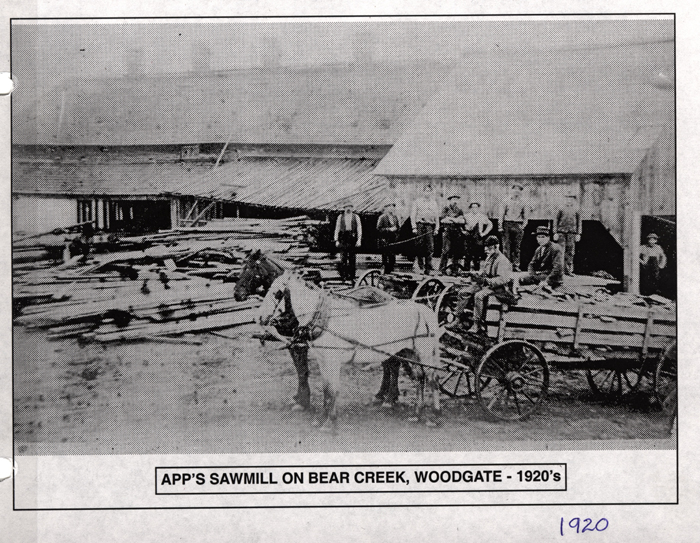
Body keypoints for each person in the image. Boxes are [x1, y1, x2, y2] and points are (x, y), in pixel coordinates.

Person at [467, 235, 513, 334]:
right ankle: (461, 318)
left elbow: (502, 279)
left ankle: (477, 323)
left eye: (489, 248)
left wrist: (487, 281)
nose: (486, 250)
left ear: (497, 247)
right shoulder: (490, 258)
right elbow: (485, 272)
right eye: (486, 248)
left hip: (499, 289)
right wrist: (477, 274)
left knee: (479, 296)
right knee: (465, 291)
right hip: (488, 285)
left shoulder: (503, 261)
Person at [515, 225, 564, 290]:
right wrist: (532, 275)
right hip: (540, 276)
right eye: (538, 237)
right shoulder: (539, 249)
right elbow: (531, 264)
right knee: (520, 279)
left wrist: (547, 281)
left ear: (548, 238)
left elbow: (557, 268)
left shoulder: (555, 248)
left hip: (553, 277)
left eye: (543, 237)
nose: (540, 239)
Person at [410, 185, 440, 274]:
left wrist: (437, 228)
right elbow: (413, 215)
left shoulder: (434, 203)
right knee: (419, 246)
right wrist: (414, 227)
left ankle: (428, 267)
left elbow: (436, 217)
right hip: (420, 225)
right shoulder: (417, 202)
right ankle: (420, 266)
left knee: (430, 248)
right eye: (426, 191)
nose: (427, 193)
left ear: (431, 192)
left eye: (429, 191)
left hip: (429, 226)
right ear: (423, 192)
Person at [498, 184, 529, 271]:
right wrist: (500, 226)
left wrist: (523, 226)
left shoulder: (524, 202)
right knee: (506, 246)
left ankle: (516, 266)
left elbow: (526, 216)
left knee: (516, 247)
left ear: (521, 192)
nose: (516, 192)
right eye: (515, 190)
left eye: (519, 190)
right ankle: (506, 266)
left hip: (518, 224)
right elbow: (501, 215)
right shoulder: (505, 201)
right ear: (511, 191)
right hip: (507, 224)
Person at [334, 203, 362, 283]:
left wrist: (359, 240)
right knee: (343, 258)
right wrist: (336, 240)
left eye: (350, 207)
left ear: (352, 208)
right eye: (346, 207)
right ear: (344, 208)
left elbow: (359, 229)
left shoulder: (356, 217)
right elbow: (337, 228)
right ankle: (344, 276)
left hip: (352, 239)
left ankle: (352, 276)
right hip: (343, 239)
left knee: (352, 259)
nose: (348, 208)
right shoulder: (340, 217)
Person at [553, 194, 581, 276]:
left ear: (573, 200)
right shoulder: (560, 209)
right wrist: (555, 232)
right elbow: (555, 220)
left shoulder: (576, 209)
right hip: (561, 233)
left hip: (571, 233)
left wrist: (578, 234)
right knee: (560, 251)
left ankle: (568, 270)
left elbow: (579, 222)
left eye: (571, 199)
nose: (569, 200)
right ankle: (559, 270)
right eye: (567, 198)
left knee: (570, 252)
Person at [438, 194, 466, 275]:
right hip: (447, 232)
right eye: (453, 199)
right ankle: (442, 269)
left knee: (456, 252)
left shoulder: (459, 210)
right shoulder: (446, 209)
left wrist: (450, 219)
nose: (455, 201)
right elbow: (443, 220)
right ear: (450, 200)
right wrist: (456, 220)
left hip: (457, 232)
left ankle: (455, 270)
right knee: (445, 251)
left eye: (457, 199)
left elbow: (462, 221)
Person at [463, 201, 493, 271]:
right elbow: (460, 225)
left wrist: (484, 233)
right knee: (467, 255)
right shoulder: (466, 216)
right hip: (468, 237)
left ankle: (476, 272)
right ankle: (466, 272)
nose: (474, 209)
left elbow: (490, 224)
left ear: (478, 208)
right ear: (470, 208)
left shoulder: (482, 216)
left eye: (476, 207)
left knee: (477, 255)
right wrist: (463, 231)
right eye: (473, 207)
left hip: (477, 237)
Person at [376, 202, 400, 274]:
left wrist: (396, 230)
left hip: (393, 241)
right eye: (389, 206)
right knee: (385, 259)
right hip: (385, 241)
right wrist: (388, 229)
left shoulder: (395, 217)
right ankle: (385, 274)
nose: (391, 208)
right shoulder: (382, 217)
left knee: (392, 258)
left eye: (393, 207)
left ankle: (391, 274)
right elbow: (378, 229)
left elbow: (398, 228)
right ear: (386, 208)